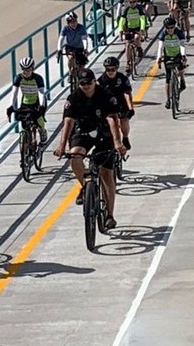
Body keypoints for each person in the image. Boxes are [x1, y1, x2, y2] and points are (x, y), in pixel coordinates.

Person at [53, 68, 128, 230]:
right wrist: (61, 146)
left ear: (95, 81)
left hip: (104, 133)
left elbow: (112, 119)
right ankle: (85, 184)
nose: (86, 86)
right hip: (83, 132)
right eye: (82, 83)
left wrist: (117, 142)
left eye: (89, 83)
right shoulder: (74, 98)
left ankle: (109, 215)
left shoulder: (105, 95)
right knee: (74, 156)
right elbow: (68, 122)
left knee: (106, 174)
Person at [97, 56, 135, 150]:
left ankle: (125, 138)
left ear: (117, 68)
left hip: (121, 103)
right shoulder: (101, 80)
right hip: (107, 104)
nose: (110, 72)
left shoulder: (122, 78)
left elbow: (127, 93)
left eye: (113, 69)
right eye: (108, 69)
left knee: (124, 120)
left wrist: (131, 108)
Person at [11, 57, 49, 143]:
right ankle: (26, 141)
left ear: (32, 69)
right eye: (24, 70)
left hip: (38, 101)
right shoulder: (18, 78)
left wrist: (42, 105)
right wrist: (11, 105)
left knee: (39, 120)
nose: (26, 72)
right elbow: (14, 93)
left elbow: (41, 93)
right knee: (24, 123)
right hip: (25, 101)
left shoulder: (38, 78)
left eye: (28, 70)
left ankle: (42, 130)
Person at [157, 17, 187, 109]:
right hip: (168, 55)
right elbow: (160, 47)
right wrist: (158, 58)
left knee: (181, 67)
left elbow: (182, 45)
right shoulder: (163, 34)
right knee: (168, 77)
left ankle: (182, 79)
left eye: (172, 27)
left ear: (175, 27)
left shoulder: (179, 33)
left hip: (178, 54)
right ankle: (168, 99)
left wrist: (183, 55)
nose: (170, 29)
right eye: (168, 28)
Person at [56, 11, 90, 82]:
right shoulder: (65, 29)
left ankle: (80, 76)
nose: (74, 23)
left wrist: (85, 48)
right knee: (71, 58)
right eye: (72, 22)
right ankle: (70, 72)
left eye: (75, 21)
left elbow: (84, 39)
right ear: (68, 23)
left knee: (82, 66)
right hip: (70, 47)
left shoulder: (81, 27)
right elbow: (60, 39)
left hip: (80, 47)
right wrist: (59, 49)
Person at [117, 0, 148, 74]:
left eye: (134, 2)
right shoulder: (126, 9)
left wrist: (142, 28)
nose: (132, 4)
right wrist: (121, 30)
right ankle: (128, 63)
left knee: (137, 37)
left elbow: (142, 19)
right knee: (127, 45)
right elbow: (122, 20)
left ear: (136, 2)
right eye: (130, 2)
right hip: (129, 28)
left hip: (137, 27)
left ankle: (139, 48)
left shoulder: (139, 8)